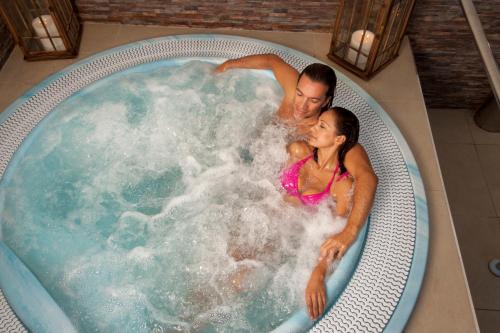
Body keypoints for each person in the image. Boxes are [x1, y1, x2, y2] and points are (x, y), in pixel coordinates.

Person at [215, 54, 377, 269]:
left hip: (273, 184)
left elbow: (367, 177)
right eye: (300, 94)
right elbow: (272, 61)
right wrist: (228, 65)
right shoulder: (294, 91)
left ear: (327, 101)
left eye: (314, 100)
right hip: (243, 155)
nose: (301, 106)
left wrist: (350, 230)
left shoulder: (322, 133)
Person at [281, 107, 359, 320]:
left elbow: (337, 234)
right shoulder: (298, 151)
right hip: (264, 220)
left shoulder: (341, 185)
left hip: (290, 238)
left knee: (238, 283)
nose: (314, 127)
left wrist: (319, 272)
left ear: (339, 139)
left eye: (322, 126)